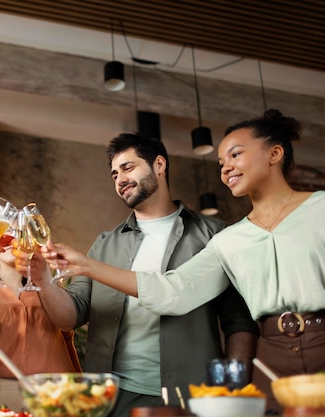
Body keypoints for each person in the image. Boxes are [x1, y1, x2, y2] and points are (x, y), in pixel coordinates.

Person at [42, 110, 325, 414]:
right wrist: (83, 266)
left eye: (235, 155)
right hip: (269, 357)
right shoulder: (229, 240)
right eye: (221, 162)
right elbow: (173, 291)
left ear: (275, 153)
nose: (225, 168)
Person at [15, 133, 258, 417]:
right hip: (112, 396)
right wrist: (43, 281)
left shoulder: (212, 234)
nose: (119, 180)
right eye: (114, 174)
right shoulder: (105, 243)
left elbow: (239, 320)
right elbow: (71, 316)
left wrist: (233, 387)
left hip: (189, 394)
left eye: (128, 168)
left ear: (159, 164)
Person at [0, 247, 81, 412]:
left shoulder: (52, 293)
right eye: (6, 226)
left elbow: (68, 322)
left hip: (54, 396)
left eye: (19, 227)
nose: (13, 234)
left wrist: (43, 278)